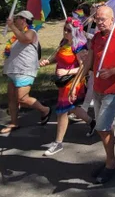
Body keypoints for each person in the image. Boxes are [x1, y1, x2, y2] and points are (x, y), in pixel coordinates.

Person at [85, 5, 115, 184]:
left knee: (101, 127)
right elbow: (90, 59)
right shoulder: (97, 37)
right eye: (97, 19)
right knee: (105, 127)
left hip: (114, 88)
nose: (100, 22)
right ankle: (109, 159)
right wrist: (77, 79)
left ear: (112, 19)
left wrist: (113, 71)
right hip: (98, 87)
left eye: (103, 19)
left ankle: (110, 164)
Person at [40, 20, 95, 156]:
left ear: (76, 31)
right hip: (63, 82)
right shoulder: (63, 42)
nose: (65, 32)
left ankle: (58, 143)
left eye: (69, 30)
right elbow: (58, 59)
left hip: (73, 82)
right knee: (73, 107)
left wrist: (66, 72)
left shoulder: (80, 46)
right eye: (64, 29)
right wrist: (48, 62)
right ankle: (92, 122)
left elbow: (84, 67)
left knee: (62, 111)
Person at [0, 10, 51, 134]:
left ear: (23, 20)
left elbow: (25, 39)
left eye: (17, 18)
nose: (15, 20)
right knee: (12, 99)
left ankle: (45, 110)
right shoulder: (16, 36)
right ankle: (14, 123)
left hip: (24, 70)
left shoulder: (32, 32)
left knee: (22, 99)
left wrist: (11, 26)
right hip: (13, 71)